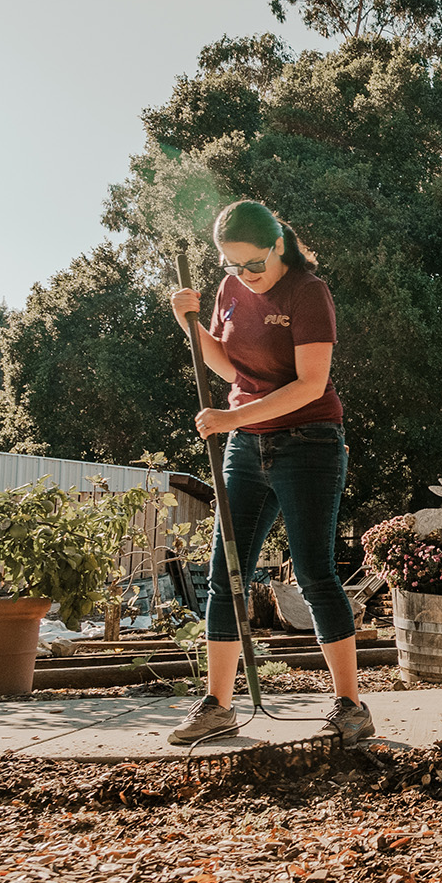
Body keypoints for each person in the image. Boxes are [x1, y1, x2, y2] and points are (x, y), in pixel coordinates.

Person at [166, 200, 373, 745]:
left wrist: (232, 416)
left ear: (278, 244)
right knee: (225, 573)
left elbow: (309, 383)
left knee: (313, 572)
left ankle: (350, 705)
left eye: (253, 264)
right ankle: (217, 705)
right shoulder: (231, 291)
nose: (244, 276)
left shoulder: (309, 293)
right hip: (245, 446)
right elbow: (228, 365)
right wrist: (187, 321)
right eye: (231, 266)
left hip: (310, 442)